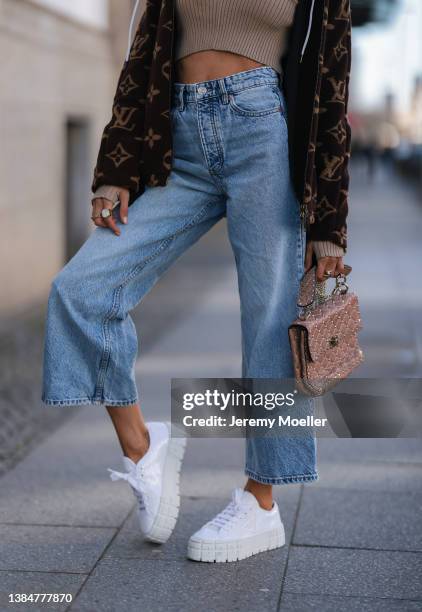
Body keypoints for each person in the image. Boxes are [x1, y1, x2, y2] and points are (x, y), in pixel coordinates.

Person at [42, 0, 352, 563]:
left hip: (264, 136)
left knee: (268, 322)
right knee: (80, 288)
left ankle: (261, 501)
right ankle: (142, 444)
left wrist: (329, 224)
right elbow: (141, 60)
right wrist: (115, 167)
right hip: (177, 137)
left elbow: (331, 87)